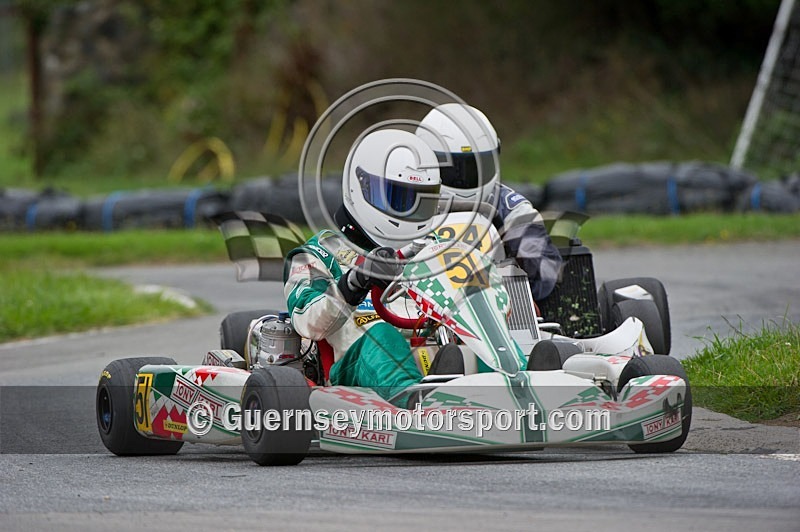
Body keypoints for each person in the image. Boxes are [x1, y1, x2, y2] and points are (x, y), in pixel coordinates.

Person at [283, 128, 461, 403]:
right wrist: (354, 282)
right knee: (382, 336)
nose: (409, 211)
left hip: (434, 351)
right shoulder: (320, 252)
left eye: (418, 200)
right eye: (399, 199)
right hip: (359, 365)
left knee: (470, 344)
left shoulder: (437, 247)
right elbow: (307, 321)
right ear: (361, 187)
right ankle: (418, 403)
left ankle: (518, 386)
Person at [415, 103, 563, 301]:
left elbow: (545, 273)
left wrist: (519, 260)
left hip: (498, 307)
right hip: (421, 306)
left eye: (476, 166)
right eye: (455, 170)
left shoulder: (510, 206)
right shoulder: (410, 204)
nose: (465, 178)